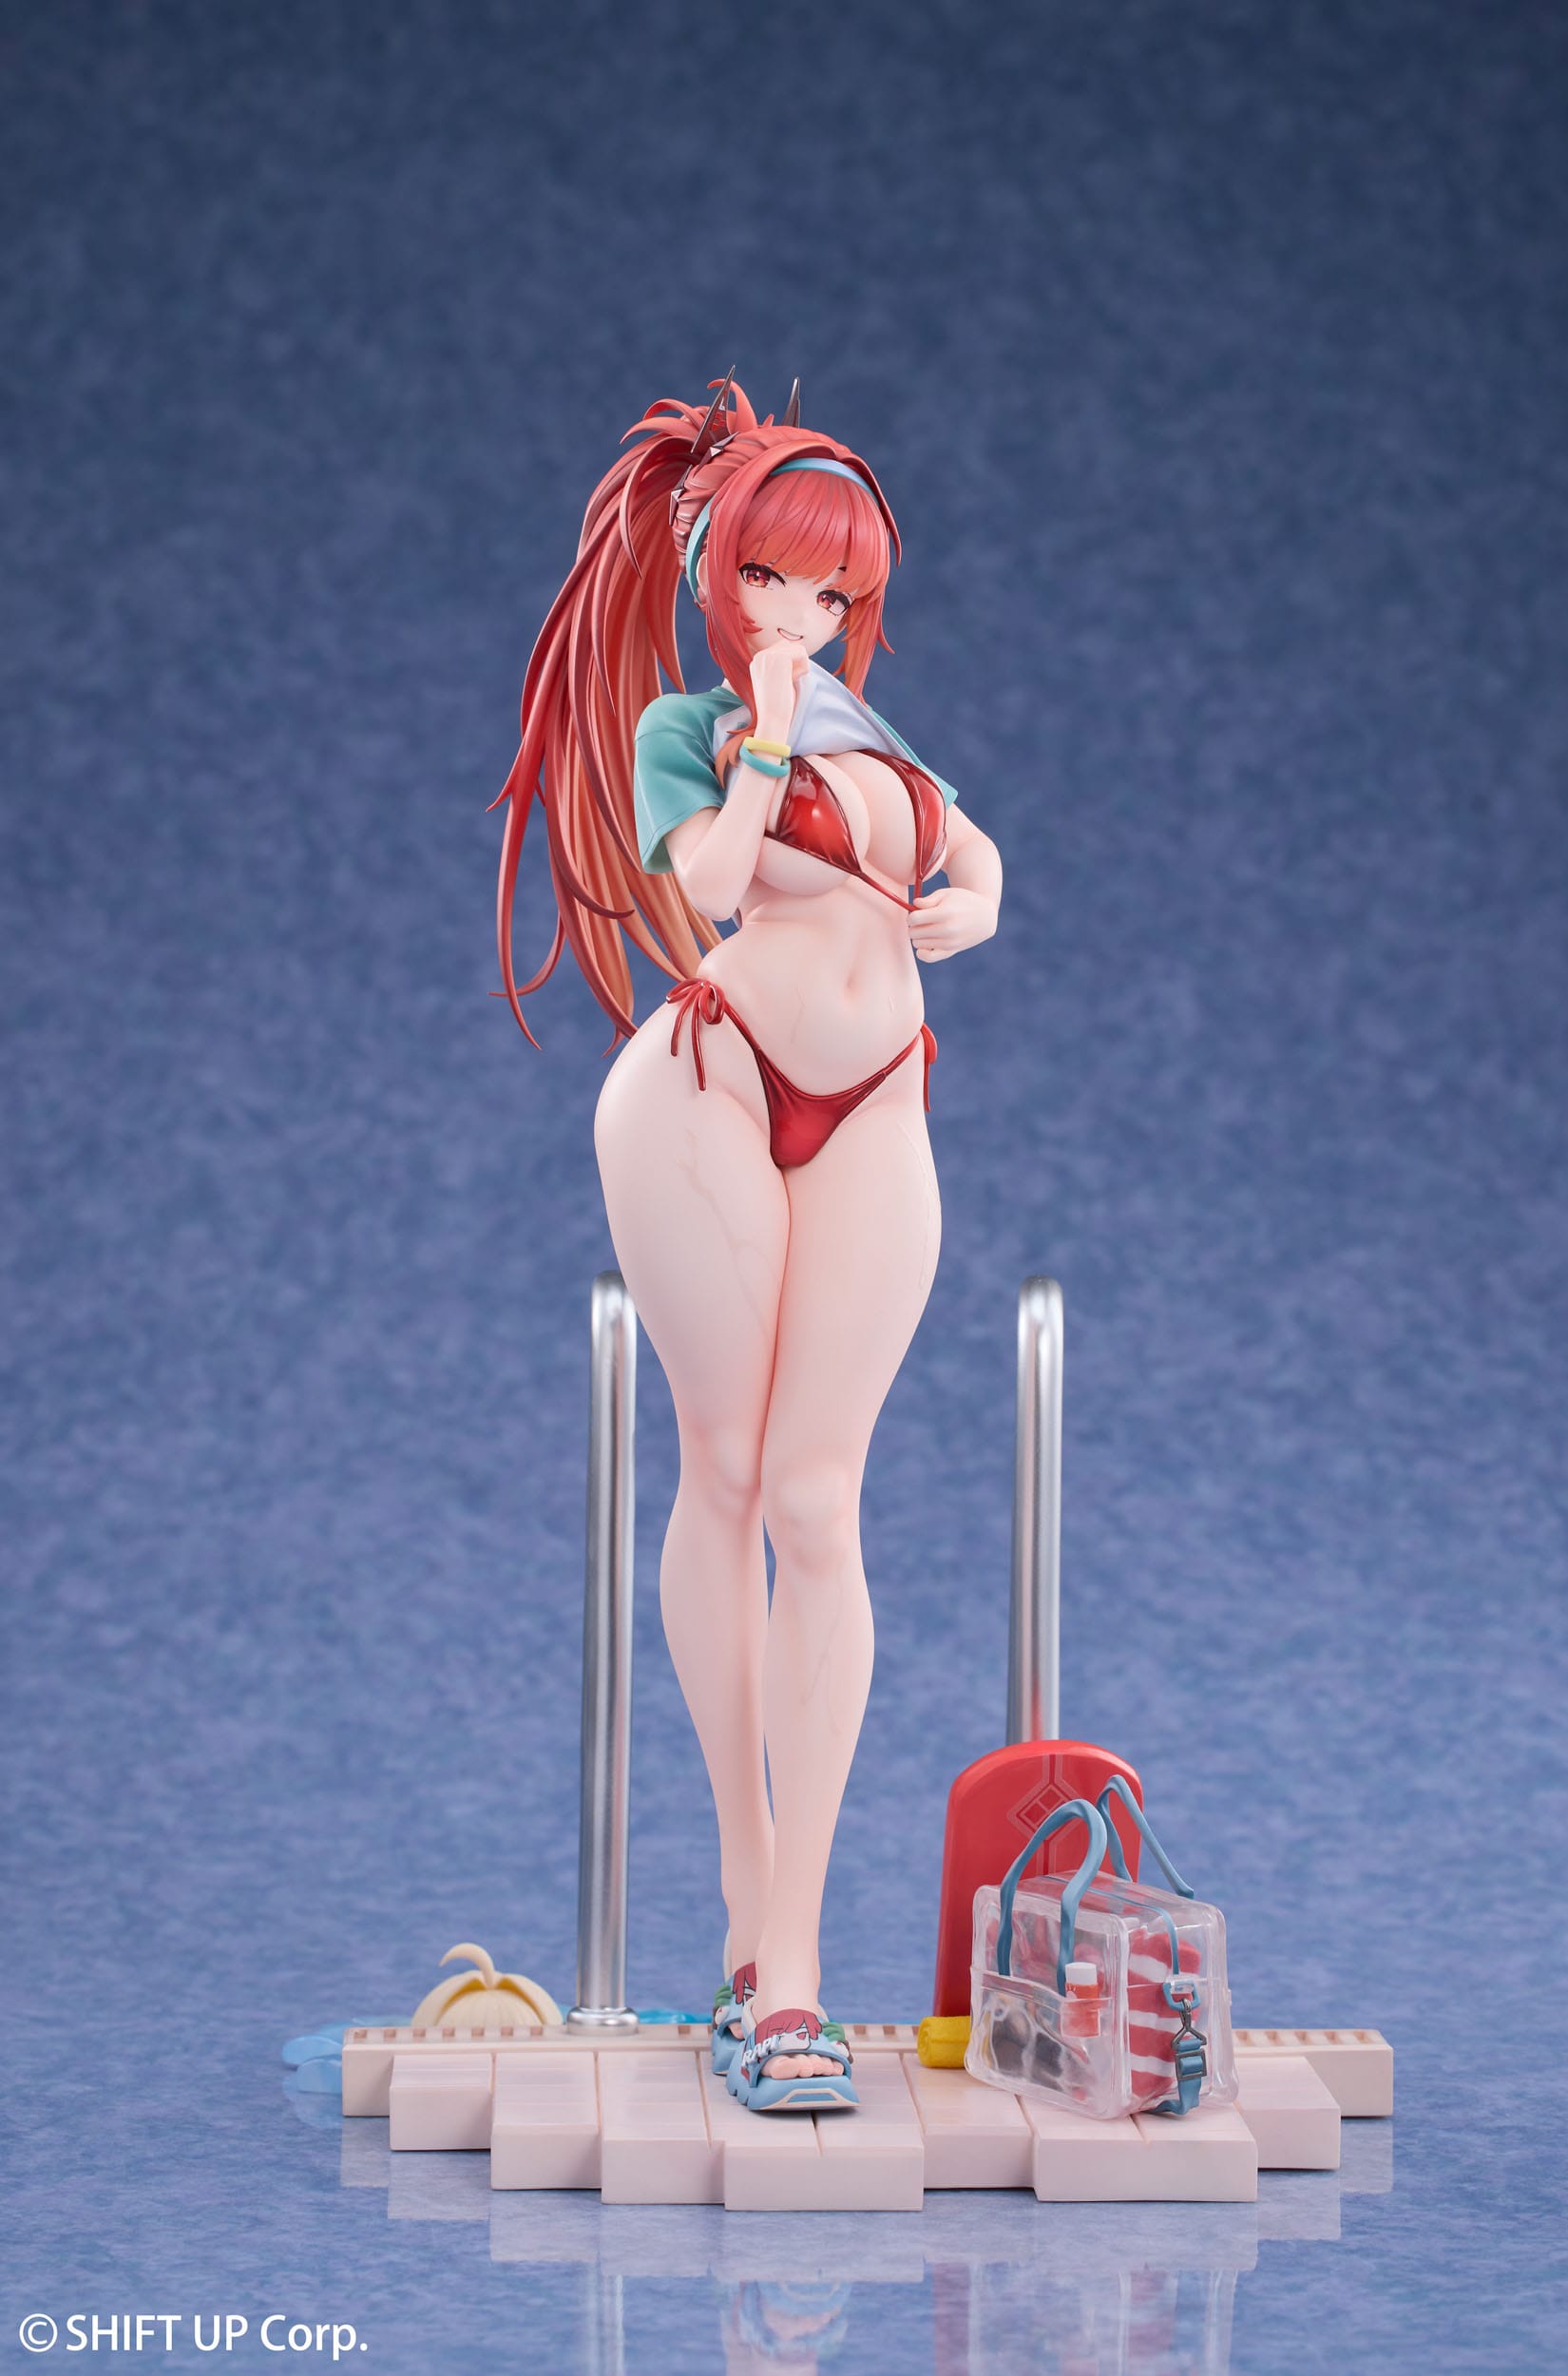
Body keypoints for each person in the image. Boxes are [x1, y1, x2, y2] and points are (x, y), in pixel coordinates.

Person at [496, 377, 1003, 2110]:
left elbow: (975, 851)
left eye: (832, 590)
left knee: (817, 1498)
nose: (802, 614)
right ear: (718, 576)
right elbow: (710, 885)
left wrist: (973, 897)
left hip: (876, 1105)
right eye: (772, 582)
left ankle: (796, 1951)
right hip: (710, 1085)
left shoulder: (882, 733)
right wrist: (770, 732)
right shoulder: (694, 727)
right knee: (720, 1471)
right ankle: (750, 1927)